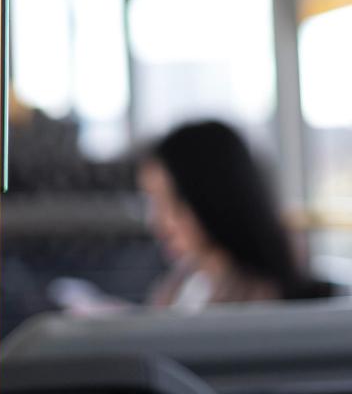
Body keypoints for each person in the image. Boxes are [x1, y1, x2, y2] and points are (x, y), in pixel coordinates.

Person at [139, 120, 328, 311]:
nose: (157, 222)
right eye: (154, 203)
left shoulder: (255, 302)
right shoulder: (184, 281)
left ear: (211, 200)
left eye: (173, 203)